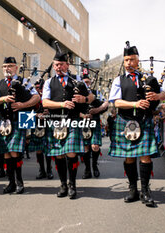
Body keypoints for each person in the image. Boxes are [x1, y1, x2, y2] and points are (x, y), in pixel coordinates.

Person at [108, 42, 165, 207]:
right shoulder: (118, 80)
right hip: (125, 121)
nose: (128, 63)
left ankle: (145, 190)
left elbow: (164, 94)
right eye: (126, 60)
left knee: (145, 156)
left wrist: (157, 96)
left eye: (131, 60)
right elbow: (116, 103)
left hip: (144, 120)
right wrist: (135, 104)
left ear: (138, 60)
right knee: (129, 157)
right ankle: (133, 189)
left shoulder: (148, 77)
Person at [42, 51, 95, 199]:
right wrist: (61, 103)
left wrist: (83, 99)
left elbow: (92, 97)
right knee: (58, 155)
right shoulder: (48, 82)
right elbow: (45, 102)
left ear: (67, 65)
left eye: (61, 64)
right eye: (56, 65)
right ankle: (63, 184)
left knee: (71, 154)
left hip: (72, 121)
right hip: (56, 120)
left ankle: (72, 184)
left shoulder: (77, 79)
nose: (58, 67)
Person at [0, 57, 40, 194]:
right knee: (6, 153)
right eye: (5, 66)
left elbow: (36, 97)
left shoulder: (24, 82)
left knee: (15, 152)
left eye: (10, 66)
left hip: (20, 119)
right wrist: (4, 99)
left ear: (16, 68)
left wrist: (22, 105)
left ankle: (19, 182)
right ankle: (11, 183)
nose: (7, 68)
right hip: (4, 120)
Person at [81, 75, 108, 179]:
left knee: (95, 146)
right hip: (83, 123)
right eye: (84, 82)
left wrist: (97, 110)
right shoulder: (77, 94)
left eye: (88, 82)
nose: (86, 84)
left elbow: (106, 103)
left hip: (95, 121)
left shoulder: (96, 93)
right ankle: (87, 169)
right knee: (86, 147)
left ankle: (94, 166)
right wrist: (82, 115)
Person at [30, 79, 53, 180]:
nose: (39, 89)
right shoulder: (32, 98)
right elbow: (26, 111)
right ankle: (41, 170)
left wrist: (49, 113)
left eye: (40, 88)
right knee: (39, 150)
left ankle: (49, 170)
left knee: (47, 149)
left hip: (48, 124)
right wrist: (36, 115)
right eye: (37, 88)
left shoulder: (49, 97)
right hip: (36, 124)